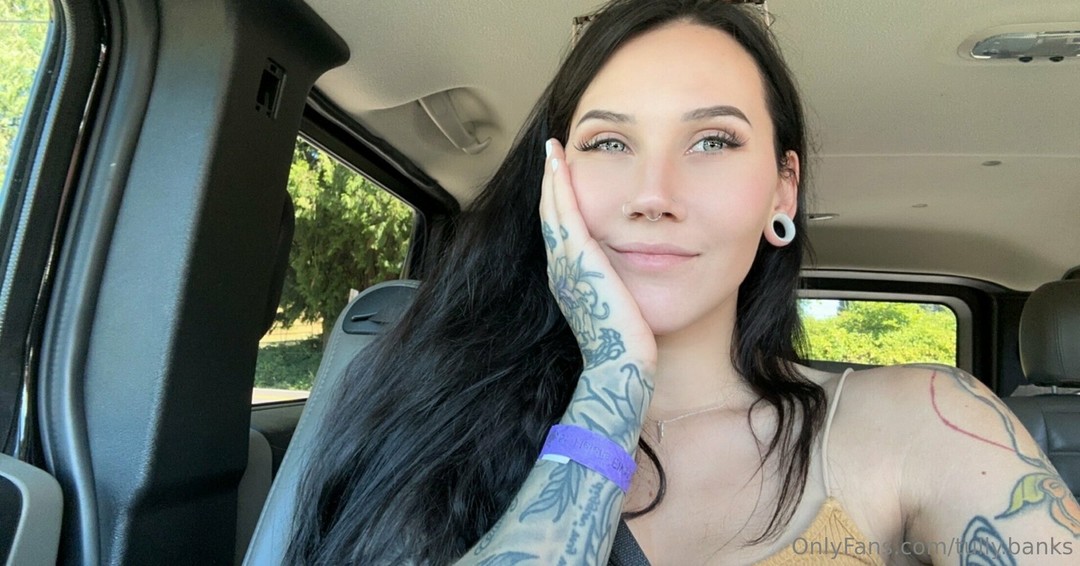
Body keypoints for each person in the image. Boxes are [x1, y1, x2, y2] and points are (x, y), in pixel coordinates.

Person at [287, 0, 1080, 564]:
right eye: (608, 143)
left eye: (712, 141)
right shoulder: (431, 411)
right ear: (554, 180)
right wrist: (616, 378)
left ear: (783, 189)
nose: (653, 194)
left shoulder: (924, 424)